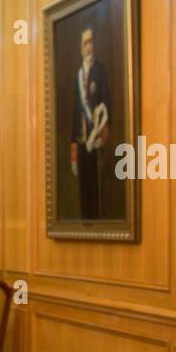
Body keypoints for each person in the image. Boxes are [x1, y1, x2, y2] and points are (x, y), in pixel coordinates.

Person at [70, 26, 111, 220]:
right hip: (81, 139)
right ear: (81, 47)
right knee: (83, 189)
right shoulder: (77, 76)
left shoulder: (100, 70)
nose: (88, 46)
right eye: (85, 43)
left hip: (95, 140)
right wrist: (74, 149)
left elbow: (107, 103)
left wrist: (102, 133)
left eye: (91, 42)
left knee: (96, 188)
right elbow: (74, 112)